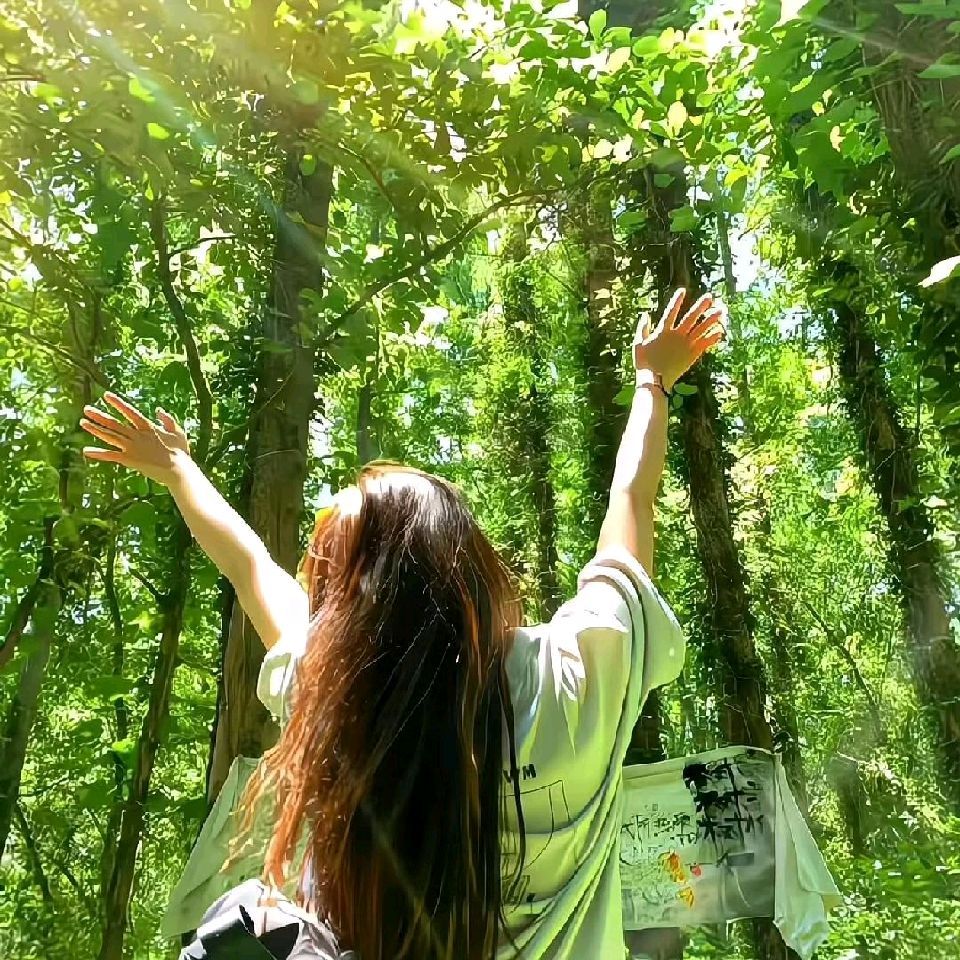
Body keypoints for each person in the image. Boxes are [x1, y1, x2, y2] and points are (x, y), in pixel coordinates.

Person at [79, 287, 726, 960]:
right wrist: (651, 382)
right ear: (474, 569)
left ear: (344, 605)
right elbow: (631, 500)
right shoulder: (573, 676)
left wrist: (180, 471)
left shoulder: (337, 699)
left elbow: (251, 569)